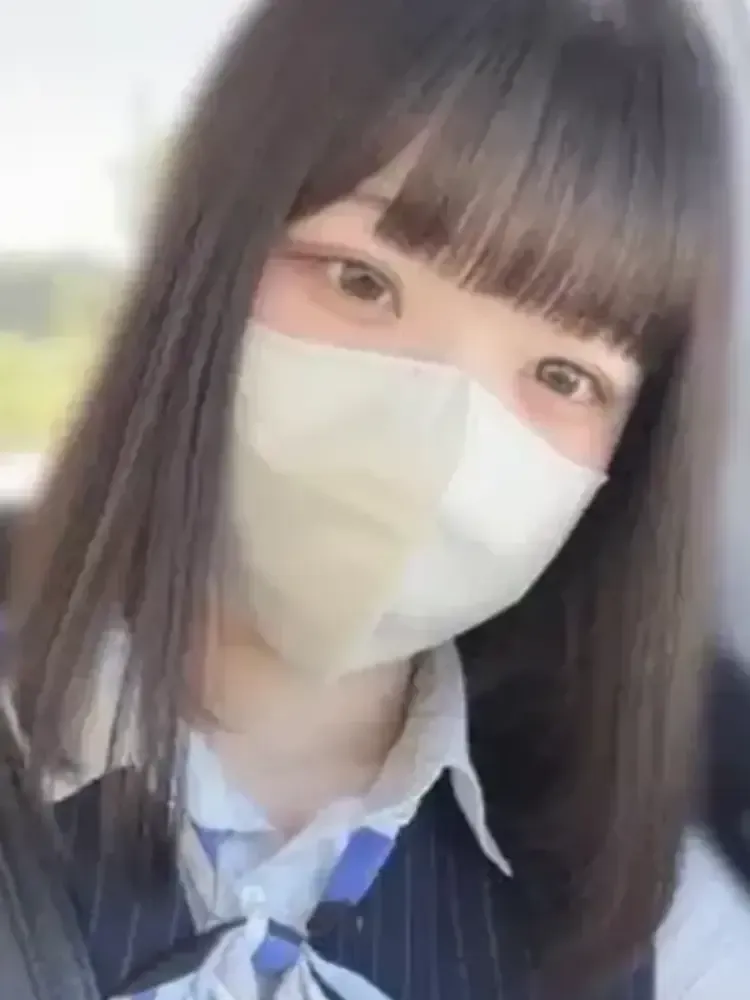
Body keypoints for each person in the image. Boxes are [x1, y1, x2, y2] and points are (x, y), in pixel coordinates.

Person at [2, 0, 732, 997]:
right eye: (360, 281)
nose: (438, 439)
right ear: (211, 260)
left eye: (564, 376)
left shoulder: (656, 933)